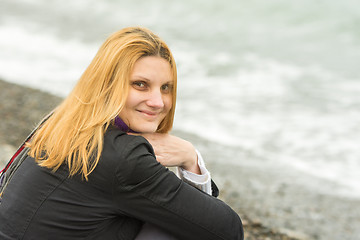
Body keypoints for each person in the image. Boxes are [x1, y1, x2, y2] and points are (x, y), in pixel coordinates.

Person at [0, 27, 243, 239]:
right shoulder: (122, 157)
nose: (158, 102)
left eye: (166, 88)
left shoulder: (63, 123)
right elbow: (226, 230)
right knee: (174, 226)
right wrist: (192, 158)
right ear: (108, 84)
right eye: (140, 84)